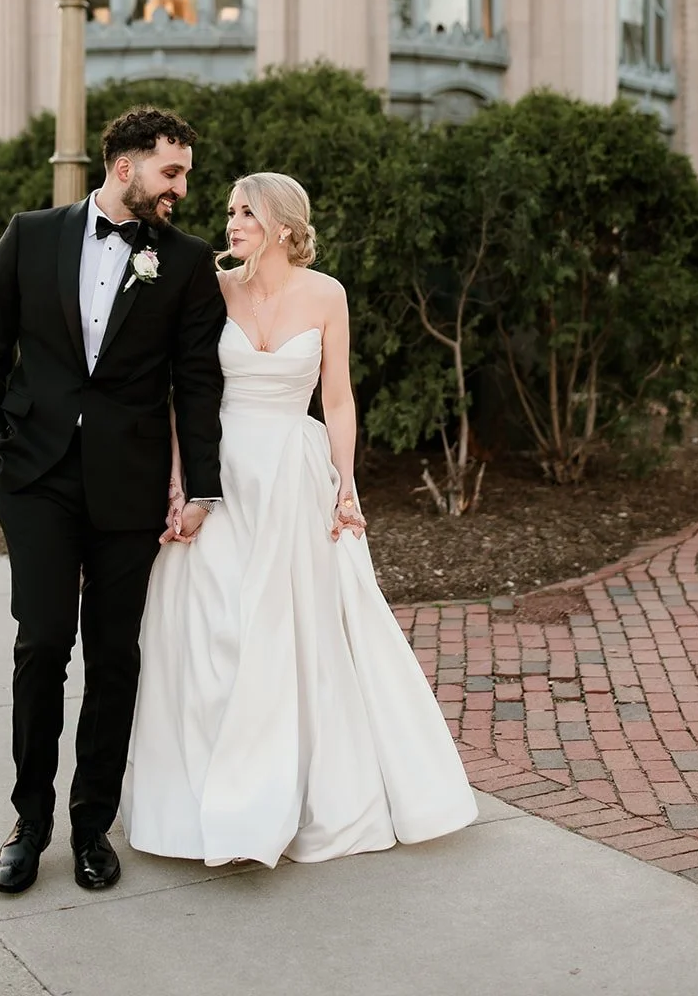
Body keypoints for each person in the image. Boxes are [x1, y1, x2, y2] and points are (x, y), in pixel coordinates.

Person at [123, 172, 478, 866]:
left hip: (292, 472)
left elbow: (337, 399)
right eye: (229, 212)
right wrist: (179, 481)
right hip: (220, 473)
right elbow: (184, 395)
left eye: (245, 213)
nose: (231, 224)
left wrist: (347, 485)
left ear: (283, 225)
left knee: (294, 631)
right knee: (210, 626)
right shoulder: (212, 287)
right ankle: (204, 796)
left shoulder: (327, 295)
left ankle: (292, 790)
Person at [0, 107, 226, 896]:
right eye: (170, 172)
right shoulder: (31, 234)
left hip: (130, 483)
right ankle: (30, 822)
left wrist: (202, 483)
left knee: (115, 657)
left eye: (184, 172)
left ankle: (90, 825)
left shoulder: (183, 262)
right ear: (124, 167)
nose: (182, 186)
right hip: (36, 476)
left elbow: (197, 379)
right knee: (42, 644)